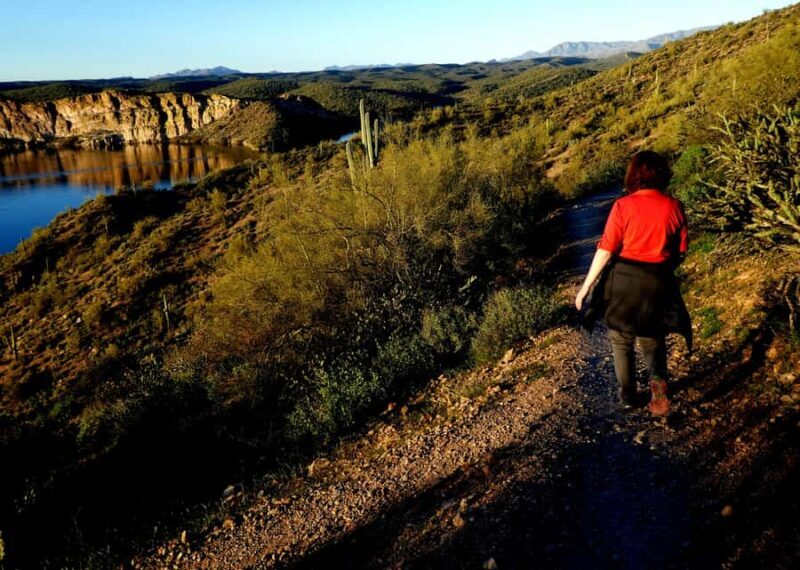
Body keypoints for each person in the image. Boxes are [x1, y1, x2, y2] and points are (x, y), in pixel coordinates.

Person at [575, 151, 691, 416]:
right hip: (657, 281)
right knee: (653, 339)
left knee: (621, 341)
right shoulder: (675, 206)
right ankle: (658, 383)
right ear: (663, 173)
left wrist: (586, 287)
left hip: (624, 282)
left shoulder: (623, 206)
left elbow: (605, 250)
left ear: (634, 174)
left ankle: (628, 396)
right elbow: (681, 250)